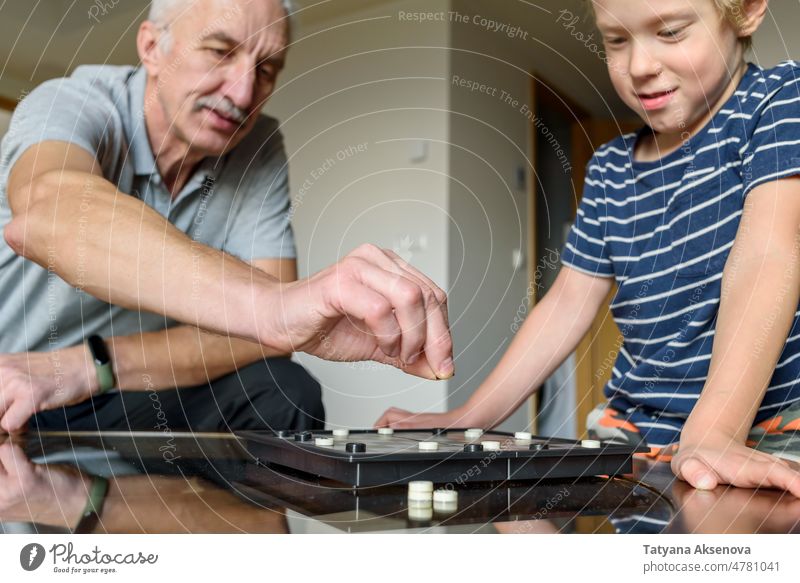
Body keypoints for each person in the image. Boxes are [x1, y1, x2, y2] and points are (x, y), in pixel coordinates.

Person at [378, 0, 800, 497]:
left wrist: (716, 430)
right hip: (634, 437)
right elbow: (566, 303)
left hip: (768, 431)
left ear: (746, 12)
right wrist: (468, 419)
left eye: (670, 32)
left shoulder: (779, 100)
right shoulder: (608, 170)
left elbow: (768, 255)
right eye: (617, 40)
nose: (639, 66)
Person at [0, 0, 454, 435]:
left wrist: (90, 366)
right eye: (220, 52)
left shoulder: (259, 144)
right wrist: (276, 306)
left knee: (281, 389)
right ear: (152, 47)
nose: (242, 93)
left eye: (266, 69)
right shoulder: (69, 101)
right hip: (11, 377)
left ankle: (224, 517)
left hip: (124, 381)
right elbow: (49, 215)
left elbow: (264, 338)